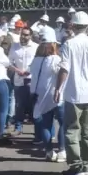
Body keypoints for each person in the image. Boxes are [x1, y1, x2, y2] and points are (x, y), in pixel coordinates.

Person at [53, 12, 88, 175]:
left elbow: (64, 68)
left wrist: (58, 88)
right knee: (87, 131)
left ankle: (76, 165)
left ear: (73, 26)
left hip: (74, 93)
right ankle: (86, 164)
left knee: (71, 130)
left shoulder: (69, 44)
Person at [28, 27, 63, 161]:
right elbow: (61, 73)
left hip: (38, 95)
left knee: (46, 124)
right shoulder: (55, 59)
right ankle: (62, 150)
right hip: (55, 95)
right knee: (63, 123)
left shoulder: (36, 60)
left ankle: (49, 151)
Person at [8, 26, 37, 136]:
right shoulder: (14, 46)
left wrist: (28, 71)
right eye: (22, 34)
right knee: (19, 105)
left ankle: (36, 131)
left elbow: (37, 62)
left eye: (26, 35)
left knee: (33, 106)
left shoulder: (35, 47)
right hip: (19, 79)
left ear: (30, 36)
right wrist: (16, 70)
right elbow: (9, 62)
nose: (23, 37)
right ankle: (18, 127)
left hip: (31, 79)